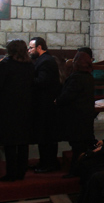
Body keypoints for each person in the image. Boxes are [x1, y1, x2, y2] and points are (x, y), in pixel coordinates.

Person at [56, 51, 96, 179]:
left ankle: (75, 171)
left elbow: (68, 95)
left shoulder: (76, 78)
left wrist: (58, 100)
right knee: (81, 145)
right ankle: (80, 169)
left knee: (78, 146)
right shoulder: (89, 76)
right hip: (85, 116)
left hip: (76, 117)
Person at [0, 39, 35, 181]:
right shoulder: (29, 65)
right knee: (22, 141)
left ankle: (11, 173)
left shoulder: (5, 65)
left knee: (9, 141)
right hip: (26, 107)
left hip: (8, 107)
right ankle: (21, 171)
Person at [29, 37, 61, 173]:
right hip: (43, 105)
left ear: (39, 47)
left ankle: (49, 164)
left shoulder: (46, 61)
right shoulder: (43, 60)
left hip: (46, 106)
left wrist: (27, 78)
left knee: (47, 137)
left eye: (31, 47)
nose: (29, 50)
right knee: (43, 137)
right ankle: (44, 162)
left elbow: (42, 82)